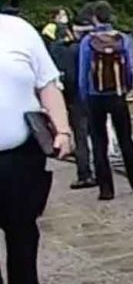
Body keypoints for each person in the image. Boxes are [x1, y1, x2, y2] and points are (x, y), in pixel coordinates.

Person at [2, 7, 76, 284]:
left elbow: (48, 84)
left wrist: (62, 130)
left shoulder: (18, 30)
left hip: (20, 153)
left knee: (22, 230)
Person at [74, 2, 133, 199]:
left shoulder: (87, 41)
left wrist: (83, 96)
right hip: (117, 95)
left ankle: (106, 189)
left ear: (94, 18)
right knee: (126, 139)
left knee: (99, 142)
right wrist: (126, 88)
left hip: (94, 96)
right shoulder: (122, 38)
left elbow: (83, 73)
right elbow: (129, 68)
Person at [42, 10, 94, 190]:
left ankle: (82, 170)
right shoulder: (82, 47)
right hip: (86, 94)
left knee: (73, 133)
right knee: (89, 134)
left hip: (66, 95)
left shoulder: (54, 50)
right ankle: (92, 172)